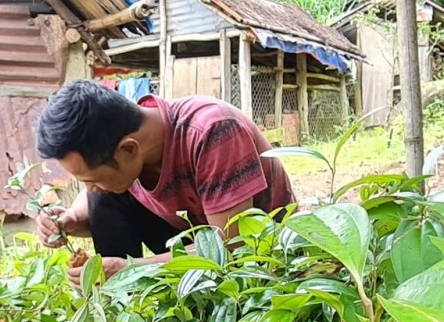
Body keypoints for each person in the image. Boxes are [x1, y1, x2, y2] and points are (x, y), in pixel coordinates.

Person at [33, 81, 296, 282]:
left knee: (105, 192)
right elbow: (99, 195)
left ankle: (127, 288)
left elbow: (232, 247)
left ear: (128, 149)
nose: (89, 187)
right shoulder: (127, 141)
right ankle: (121, 311)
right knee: (102, 195)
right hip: (192, 234)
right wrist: (74, 218)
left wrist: (132, 271)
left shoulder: (212, 130)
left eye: (91, 179)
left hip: (257, 250)